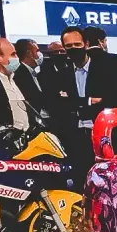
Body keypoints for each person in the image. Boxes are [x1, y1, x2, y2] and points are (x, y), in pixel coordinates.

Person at [39, 27, 99, 181]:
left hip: (101, 134)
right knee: (79, 179)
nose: (74, 49)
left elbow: (109, 99)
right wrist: (87, 101)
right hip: (74, 137)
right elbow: (56, 104)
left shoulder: (103, 71)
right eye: (69, 46)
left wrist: (74, 103)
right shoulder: (61, 75)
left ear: (86, 44)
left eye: (77, 44)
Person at [12, 38, 45, 117]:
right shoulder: (18, 75)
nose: (40, 54)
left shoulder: (35, 73)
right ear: (28, 53)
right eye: (37, 51)